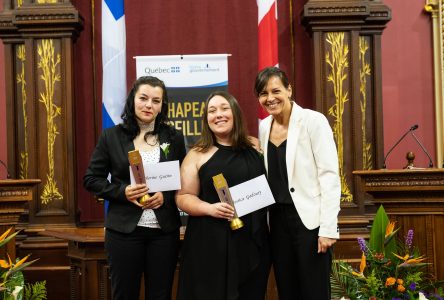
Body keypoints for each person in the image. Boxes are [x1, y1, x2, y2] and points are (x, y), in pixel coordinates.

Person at [83, 76, 186, 300]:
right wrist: (122, 192)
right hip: (123, 233)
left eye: (156, 101)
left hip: (163, 233)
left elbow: (183, 181)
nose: (149, 105)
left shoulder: (174, 137)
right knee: (124, 295)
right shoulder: (111, 136)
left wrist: (165, 196)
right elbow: (91, 179)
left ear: (162, 106)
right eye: (144, 98)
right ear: (133, 100)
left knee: (161, 294)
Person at [254, 67, 341, 300]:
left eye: (276, 91)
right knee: (287, 289)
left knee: (314, 291)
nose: (270, 98)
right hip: (277, 222)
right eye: (263, 93)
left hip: (309, 222)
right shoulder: (263, 127)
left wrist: (328, 228)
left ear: (289, 90)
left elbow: (330, 175)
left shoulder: (313, 121)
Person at [176, 91, 271, 300]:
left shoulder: (255, 145)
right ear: (206, 119)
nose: (218, 114)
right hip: (210, 242)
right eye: (212, 111)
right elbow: (183, 197)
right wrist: (209, 208)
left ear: (235, 113)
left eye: (224, 108)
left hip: (252, 239)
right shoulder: (197, 154)